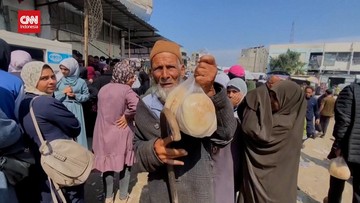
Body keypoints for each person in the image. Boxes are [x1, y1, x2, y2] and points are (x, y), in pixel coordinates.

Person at [133, 40, 237, 202]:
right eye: (158, 68)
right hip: (161, 194)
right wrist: (152, 151)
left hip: (198, 193)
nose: (165, 75)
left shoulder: (198, 99)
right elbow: (137, 148)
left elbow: (225, 134)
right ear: (151, 72)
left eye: (171, 67)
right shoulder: (145, 105)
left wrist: (211, 92)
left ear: (182, 70)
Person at [18, 61, 84, 203]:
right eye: (44, 78)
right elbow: (75, 126)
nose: (51, 81)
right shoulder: (46, 102)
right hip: (59, 163)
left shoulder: (24, 100)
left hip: (40, 162)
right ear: (32, 79)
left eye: (52, 77)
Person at [237, 80, 306, 203]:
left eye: (275, 97)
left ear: (288, 101)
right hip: (281, 189)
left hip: (267, 189)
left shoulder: (281, 123)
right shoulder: (295, 121)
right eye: (270, 95)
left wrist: (259, 92)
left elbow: (249, 127)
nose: (270, 101)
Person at [92, 59, 139, 203]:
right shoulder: (126, 90)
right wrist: (126, 116)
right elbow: (137, 105)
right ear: (125, 76)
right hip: (121, 132)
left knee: (107, 166)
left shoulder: (104, 88)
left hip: (103, 132)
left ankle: (108, 196)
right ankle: (123, 196)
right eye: (131, 76)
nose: (133, 79)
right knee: (125, 164)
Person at [325, 82, 360, 203]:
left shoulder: (351, 90)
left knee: (336, 184)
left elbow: (343, 121)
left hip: (348, 149)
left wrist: (337, 146)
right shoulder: (352, 90)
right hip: (351, 148)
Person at [54, 57, 90, 149]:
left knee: (78, 130)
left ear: (73, 69)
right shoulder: (59, 81)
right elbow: (52, 95)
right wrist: (63, 92)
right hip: (62, 107)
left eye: (65, 69)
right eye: (61, 69)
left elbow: (86, 96)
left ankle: (81, 152)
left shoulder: (81, 82)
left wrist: (75, 96)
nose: (63, 71)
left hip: (76, 107)